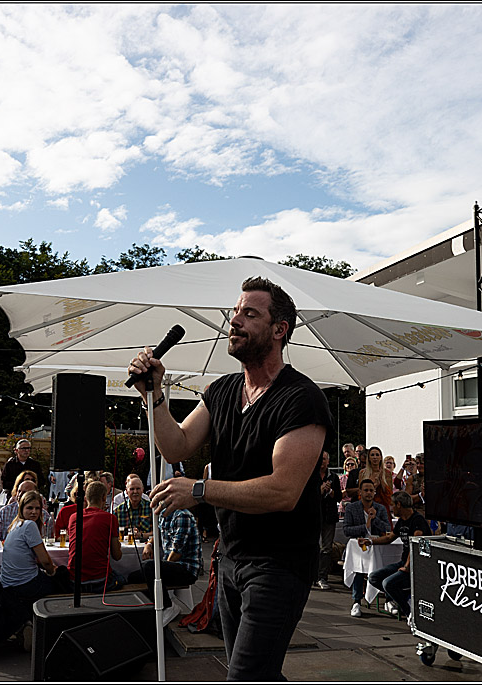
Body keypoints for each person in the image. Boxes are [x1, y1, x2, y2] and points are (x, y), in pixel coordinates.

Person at [128, 275, 331, 680]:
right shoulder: (221, 391)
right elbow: (177, 445)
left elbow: (283, 491)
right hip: (231, 558)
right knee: (258, 672)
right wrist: (154, 395)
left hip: (279, 564)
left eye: (249, 313)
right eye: (235, 312)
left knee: (245, 675)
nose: (234, 321)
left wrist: (200, 491)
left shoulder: (301, 398)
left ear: (279, 330)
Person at [0, 490, 61, 638]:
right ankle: (50, 630)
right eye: (30, 508)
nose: (34, 512)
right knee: (62, 580)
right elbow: (45, 560)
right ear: (22, 509)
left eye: (37, 508)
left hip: (7, 583)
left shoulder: (15, 526)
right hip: (24, 584)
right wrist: (52, 571)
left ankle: (26, 623)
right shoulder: (29, 526)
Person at [128, 507, 203, 625]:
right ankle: (154, 605)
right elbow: (157, 532)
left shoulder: (182, 516)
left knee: (149, 567)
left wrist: (162, 566)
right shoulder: (163, 514)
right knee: (133, 577)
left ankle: (167, 606)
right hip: (172, 564)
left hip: (187, 569)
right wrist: (148, 544)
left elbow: (177, 552)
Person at [368, 490, 429, 617]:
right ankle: (400, 598)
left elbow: (415, 545)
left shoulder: (417, 520)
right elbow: (389, 538)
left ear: (399, 504)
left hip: (416, 565)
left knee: (387, 583)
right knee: (374, 577)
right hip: (403, 562)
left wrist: (407, 567)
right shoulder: (401, 521)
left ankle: (409, 613)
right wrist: (370, 542)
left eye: (392, 505)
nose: (391, 508)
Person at [343, 479, 391, 617]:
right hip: (357, 547)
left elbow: (387, 528)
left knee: (386, 566)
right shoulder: (352, 508)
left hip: (376, 546)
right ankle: (356, 601)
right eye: (366, 490)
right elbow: (346, 530)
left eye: (371, 490)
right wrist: (365, 526)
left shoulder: (380, 508)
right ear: (360, 492)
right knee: (359, 568)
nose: (369, 493)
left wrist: (374, 518)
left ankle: (389, 600)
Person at [67, 480, 124, 592]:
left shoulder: (73, 517)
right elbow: (117, 556)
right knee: (123, 578)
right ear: (104, 498)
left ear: (86, 498)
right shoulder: (110, 518)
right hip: (100, 580)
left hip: (75, 581)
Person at [0, 478, 53, 543]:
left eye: (25, 492)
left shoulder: (44, 515)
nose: (20, 494)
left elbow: (49, 539)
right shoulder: (3, 512)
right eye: (19, 491)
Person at [315, 450, 342, 591]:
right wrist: (320, 489)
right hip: (314, 515)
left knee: (326, 548)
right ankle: (311, 576)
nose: (322, 461)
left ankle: (322, 577)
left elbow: (338, 497)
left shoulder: (334, 477)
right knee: (313, 546)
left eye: (324, 459)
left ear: (328, 461)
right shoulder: (311, 476)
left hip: (329, 517)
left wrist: (330, 492)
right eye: (320, 458)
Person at [359, 446, 393, 521]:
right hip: (367, 507)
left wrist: (382, 483)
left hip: (382, 507)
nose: (375, 457)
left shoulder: (386, 473)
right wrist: (374, 487)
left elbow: (390, 495)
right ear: (369, 458)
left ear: (381, 457)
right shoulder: (363, 473)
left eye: (377, 455)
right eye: (372, 455)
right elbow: (360, 493)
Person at [113, 475, 152, 540]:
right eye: (132, 489)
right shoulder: (118, 511)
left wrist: (141, 535)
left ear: (143, 490)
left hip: (147, 548)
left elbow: (157, 532)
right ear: (126, 491)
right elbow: (113, 535)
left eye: (138, 488)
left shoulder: (151, 508)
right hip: (124, 549)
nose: (135, 492)